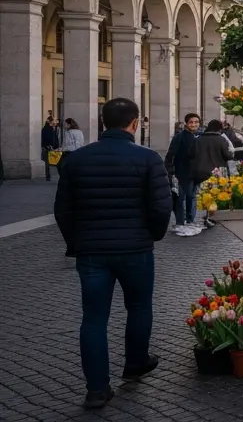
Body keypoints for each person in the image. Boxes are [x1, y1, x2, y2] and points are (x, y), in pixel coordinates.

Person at [53, 98, 171, 410]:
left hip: (92, 251)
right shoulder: (148, 159)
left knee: (93, 319)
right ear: (135, 124)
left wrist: (75, 242)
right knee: (139, 307)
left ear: (104, 122)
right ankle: (135, 362)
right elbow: (161, 207)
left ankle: (96, 389)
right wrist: (153, 235)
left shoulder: (77, 160)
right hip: (136, 248)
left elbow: (62, 209)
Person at [164, 114, 201, 230]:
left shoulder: (199, 137)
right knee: (180, 198)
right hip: (181, 173)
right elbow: (171, 154)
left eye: (196, 122)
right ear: (186, 123)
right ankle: (180, 222)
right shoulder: (179, 137)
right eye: (191, 122)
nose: (194, 124)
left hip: (195, 174)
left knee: (192, 197)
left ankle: (190, 220)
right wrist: (170, 171)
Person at [42, 116, 63, 180]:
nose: (56, 121)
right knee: (47, 163)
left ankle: (59, 176)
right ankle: (48, 176)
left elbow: (57, 139)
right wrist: (47, 145)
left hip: (55, 148)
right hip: (48, 147)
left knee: (57, 162)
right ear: (50, 121)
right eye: (55, 120)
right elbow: (45, 138)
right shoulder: (46, 129)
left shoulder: (56, 128)